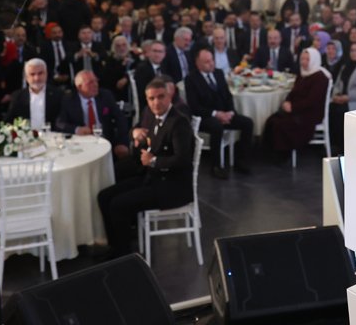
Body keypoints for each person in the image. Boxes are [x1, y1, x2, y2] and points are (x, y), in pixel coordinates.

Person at [97, 77, 195, 258]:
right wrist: (137, 139)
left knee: (117, 205)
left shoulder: (178, 122)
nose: (156, 102)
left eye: (161, 97)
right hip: (153, 178)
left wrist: (154, 161)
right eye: (151, 98)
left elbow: (182, 160)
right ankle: (116, 245)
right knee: (104, 196)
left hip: (171, 186)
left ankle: (124, 254)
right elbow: (146, 143)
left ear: (169, 96)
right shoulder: (153, 116)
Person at [184, 49, 253, 178]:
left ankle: (241, 160)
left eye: (212, 60)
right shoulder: (191, 79)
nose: (211, 63)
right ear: (198, 63)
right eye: (207, 62)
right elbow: (194, 107)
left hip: (224, 113)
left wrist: (230, 112)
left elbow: (228, 95)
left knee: (247, 123)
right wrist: (216, 114)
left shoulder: (218, 73)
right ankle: (215, 166)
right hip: (205, 116)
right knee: (216, 126)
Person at [263, 47, 330, 159]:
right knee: (271, 120)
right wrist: (287, 101)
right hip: (297, 109)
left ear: (314, 60)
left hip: (309, 113)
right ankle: (270, 152)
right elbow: (294, 91)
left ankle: (282, 155)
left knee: (281, 125)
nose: (304, 62)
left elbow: (311, 101)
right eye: (302, 59)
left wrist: (293, 107)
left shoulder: (320, 78)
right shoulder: (303, 73)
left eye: (307, 59)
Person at [3, 58, 65, 130]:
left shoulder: (58, 94)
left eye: (40, 73)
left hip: (52, 135)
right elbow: (8, 122)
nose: (37, 78)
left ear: (46, 74)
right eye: (32, 74)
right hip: (27, 136)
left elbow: (64, 122)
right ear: (26, 77)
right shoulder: (18, 96)